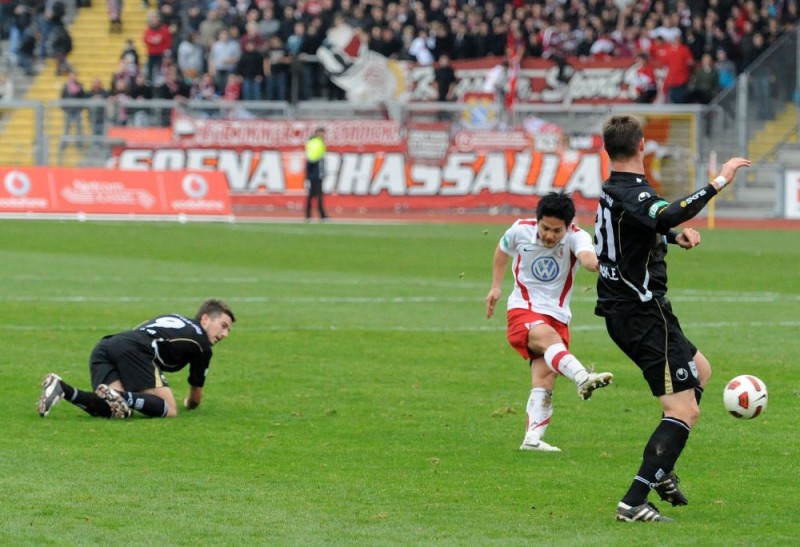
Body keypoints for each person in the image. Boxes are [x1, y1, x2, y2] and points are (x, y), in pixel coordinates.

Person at [595, 115, 750, 522]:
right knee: (685, 411)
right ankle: (633, 501)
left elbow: (643, 227)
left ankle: (662, 468)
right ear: (642, 145)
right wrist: (719, 181)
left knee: (700, 370)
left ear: (607, 150)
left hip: (636, 308)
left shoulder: (614, 189)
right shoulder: (634, 192)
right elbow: (666, 213)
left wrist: (669, 237)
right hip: (639, 313)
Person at [485, 192, 614, 452]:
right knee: (550, 341)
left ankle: (532, 439)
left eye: (557, 231)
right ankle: (582, 377)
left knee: (544, 379)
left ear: (568, 226)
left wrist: (600, 266)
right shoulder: (520, 230)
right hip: (523, 310)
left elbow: (588, 258)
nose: (549, 236)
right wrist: (496, 287)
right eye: (545, 228)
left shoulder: (578, 237)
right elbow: (502, 250)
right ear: (537, 221)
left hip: (557, 315)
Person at [37, 299, 236, 419]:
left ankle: (63, 389)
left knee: (116, 410)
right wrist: (188, 403)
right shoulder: (201, 344)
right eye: (223, 325)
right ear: (205, 319)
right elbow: (195, 398)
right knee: (169, 409)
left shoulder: (175, 317)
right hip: (137, 350)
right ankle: (120, 395)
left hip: (107, 345)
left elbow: (140, 330)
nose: (225, 334)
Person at [305, 126, 328, 221]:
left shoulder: (315, 142)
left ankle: (308, 215)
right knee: (318, 195)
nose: (323, 135)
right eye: (321, 132)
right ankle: (321, 215)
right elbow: (312, 159)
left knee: (312, 195)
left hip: (315, 172)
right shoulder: (316, 143)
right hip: (315, 173)